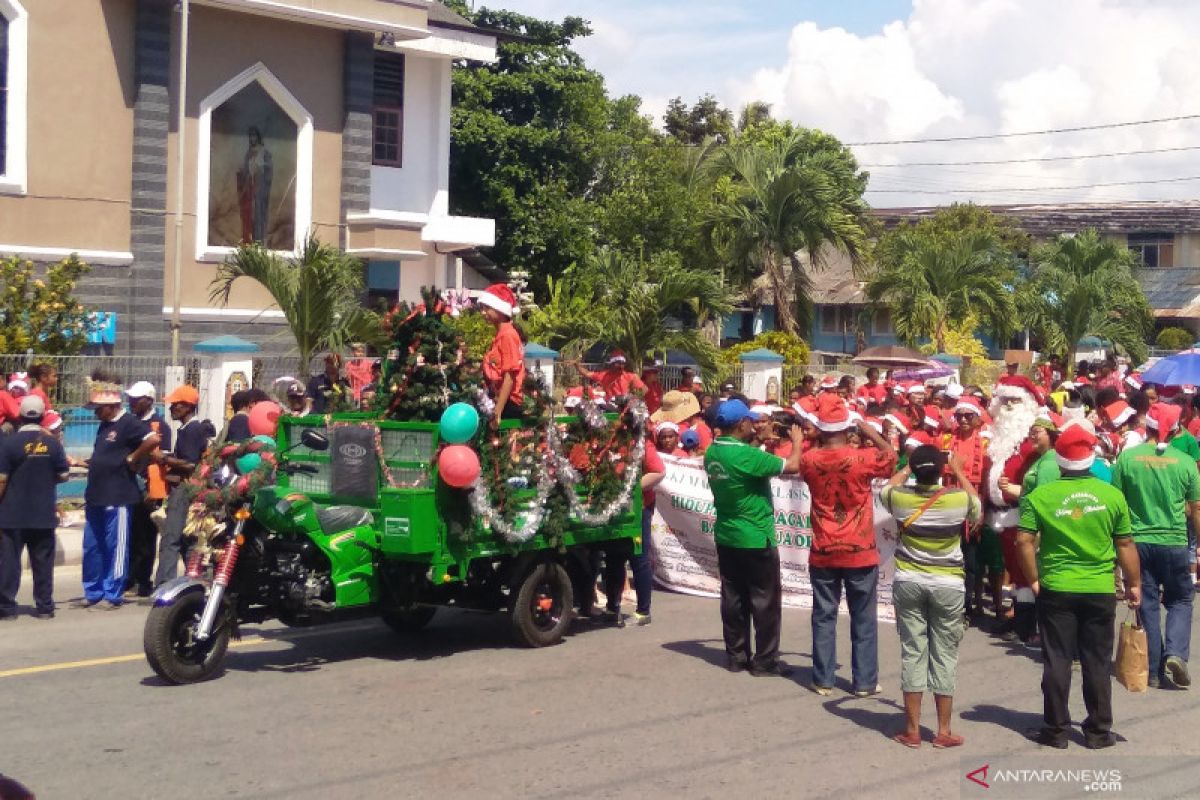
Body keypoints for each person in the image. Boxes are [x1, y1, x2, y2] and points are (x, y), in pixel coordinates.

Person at [1016, 420, 1141, 749]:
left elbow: (1024, 541)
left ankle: (1055, 730)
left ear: (1060, 460)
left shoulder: (1041, 496)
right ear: (1092, 459)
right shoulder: (1112, 496)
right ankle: (1099, 731)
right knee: (1096, 661)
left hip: (1056, 587)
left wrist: (1033, 579)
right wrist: (1135, 584)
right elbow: (1125, 544)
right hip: (1099, 588)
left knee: (1057, 659)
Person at [882, 447, 982, 749]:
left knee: (913, 651)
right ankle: (943, 730)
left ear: (914, 469)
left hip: (909, 580)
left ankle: (912, 730)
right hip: (948, 583)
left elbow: (887, 487)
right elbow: (977, 506)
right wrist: (960, 469)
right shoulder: (958, 499)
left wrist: (907, 468)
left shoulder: (898, 498)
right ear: (941, 470)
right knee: (945, 653)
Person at [799, 392, 897, 696]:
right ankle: (864, 681)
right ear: (847, 426)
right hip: (859, 549)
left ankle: (823, 679)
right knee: (863, 618)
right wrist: (869, 430)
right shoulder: (863, 458)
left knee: (824, 615)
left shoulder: (809, 459)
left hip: (824, 548)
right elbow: (890, 459)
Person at [705, 398, 805, 675]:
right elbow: (794, 465)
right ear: (741, 425)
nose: (757, 424)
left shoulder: (713, 452)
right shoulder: (746, 457)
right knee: (765, 602)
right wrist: (796, 440)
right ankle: (765, 661)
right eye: (752, 421)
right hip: (756, 536)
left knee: (733, 598)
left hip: (727, 535)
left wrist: (758, 440)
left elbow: (745, 459)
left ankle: (737, 657)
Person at [1112, 402, 1200, 689]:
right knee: (1180, 600)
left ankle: (1151, 669)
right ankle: (1174, 653)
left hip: (1136, 543)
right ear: (1175, 431)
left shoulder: (1127, 459)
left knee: (1146, 602)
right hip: (1174, 542)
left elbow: (1115, 501)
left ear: (1146, 426)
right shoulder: (1185, 462)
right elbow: (1196, 507)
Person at [80, 382, 161, 608]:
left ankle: (113, 592)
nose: (96, 413)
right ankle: (93, 591)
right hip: (96, 495)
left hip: (118, 496)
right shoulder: (104, 426)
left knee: (116, 546)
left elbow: (153, 439)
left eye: (99, 408)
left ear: (112, 406)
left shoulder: (129, 424)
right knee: (92, 546)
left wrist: (134, 457)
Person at [0, 396, 70, 620]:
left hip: (12, 515)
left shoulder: (8, 444)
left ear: (19, 416)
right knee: (42, 563)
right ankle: (45, 607)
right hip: (42, 514)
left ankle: (7, 608)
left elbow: (2, 479)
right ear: (42, 417)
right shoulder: (53, 444)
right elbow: (64, 475)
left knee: (9, 564)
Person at [601, 437, 666, 626]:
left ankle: (643, 611)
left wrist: (630, 489)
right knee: (614, 558)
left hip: (639, 508)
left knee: (638, 558)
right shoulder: (607, 441)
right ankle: (612, 608)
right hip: (613, 509)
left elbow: (658, 471)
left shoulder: (642, 443)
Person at [155, 385, 208, 586]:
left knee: (171, 538)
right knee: (187, 539)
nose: (171, 408)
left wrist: (165, 459)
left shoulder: (192, 430)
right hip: (186, 489)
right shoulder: (188, 429)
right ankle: (194, 580)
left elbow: (191, 463)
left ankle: (164, 584)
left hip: (184, 489)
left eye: (175, 405)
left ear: (187, 406)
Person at [125, 381, 170, 598]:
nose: (131, 402)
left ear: (149, 400)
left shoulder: (159, 426)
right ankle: (129, 578)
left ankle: (142, 581)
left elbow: (164, 458)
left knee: (146, 538)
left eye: (136, 399)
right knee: (131, 536)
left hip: (150, 489)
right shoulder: (131, 423)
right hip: (129, 486)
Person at [478, 283, 526, 427]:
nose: (483, 313)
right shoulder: (500, 334)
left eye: (487, 308)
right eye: (482, 308)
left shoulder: (507, 335)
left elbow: (509, 377)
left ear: (500, 309)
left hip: (508, 404)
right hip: (500, 400)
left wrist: (497, 412)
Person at [573, 352, 646, 401]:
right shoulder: (604, 375)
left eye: (622, 363)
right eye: (618, 363)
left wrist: (635, 398)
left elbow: (644, 390)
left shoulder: (630, 376)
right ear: (612, 364)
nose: (620, 366)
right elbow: (587, 373)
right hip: (610, 406)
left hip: (626, 406)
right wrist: (576, 365)